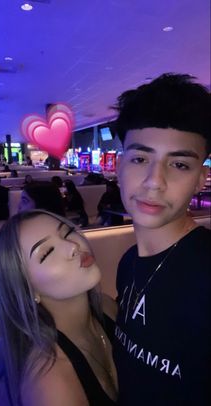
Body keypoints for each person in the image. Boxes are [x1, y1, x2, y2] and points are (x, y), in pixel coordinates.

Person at [112, 73, 211, 405]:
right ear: (117, 165)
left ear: (201, 179)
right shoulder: (127, 264)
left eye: (179, 164)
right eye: (140, 159)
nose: (155, 182)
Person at [0, 209, 118, 405]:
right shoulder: (51, 386)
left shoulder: (107, 307)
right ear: (28, 291)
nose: (72, 246)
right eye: (47, 252)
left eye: (66, 232)